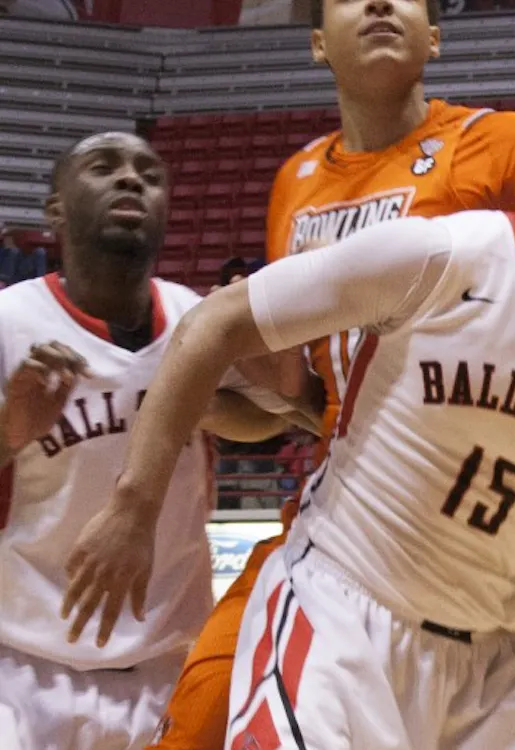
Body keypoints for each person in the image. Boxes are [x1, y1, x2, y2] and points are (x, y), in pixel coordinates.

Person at [63, 99, 515, 749]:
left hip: (495, 666)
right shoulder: (441, 255)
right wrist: (135, 504)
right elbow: (214, 324)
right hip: (342, 609)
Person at [91, 0, 515, 742]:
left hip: (484, 518)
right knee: (204, 714)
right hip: (339, 505)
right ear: (316, 43)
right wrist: (273, 392)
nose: (377, 3)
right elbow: (315, 403)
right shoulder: (297, 182)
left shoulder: (502, 144)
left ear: (435, 36)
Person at [0, 133, 303, 750]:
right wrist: (9, 432)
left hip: (171, 668)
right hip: (22, 672)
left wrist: (207, 406)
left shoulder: (198, 319)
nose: (131, 180)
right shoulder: (9, 322)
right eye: (103, 168)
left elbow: (262, 419)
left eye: (150, 173)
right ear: (56, 208)